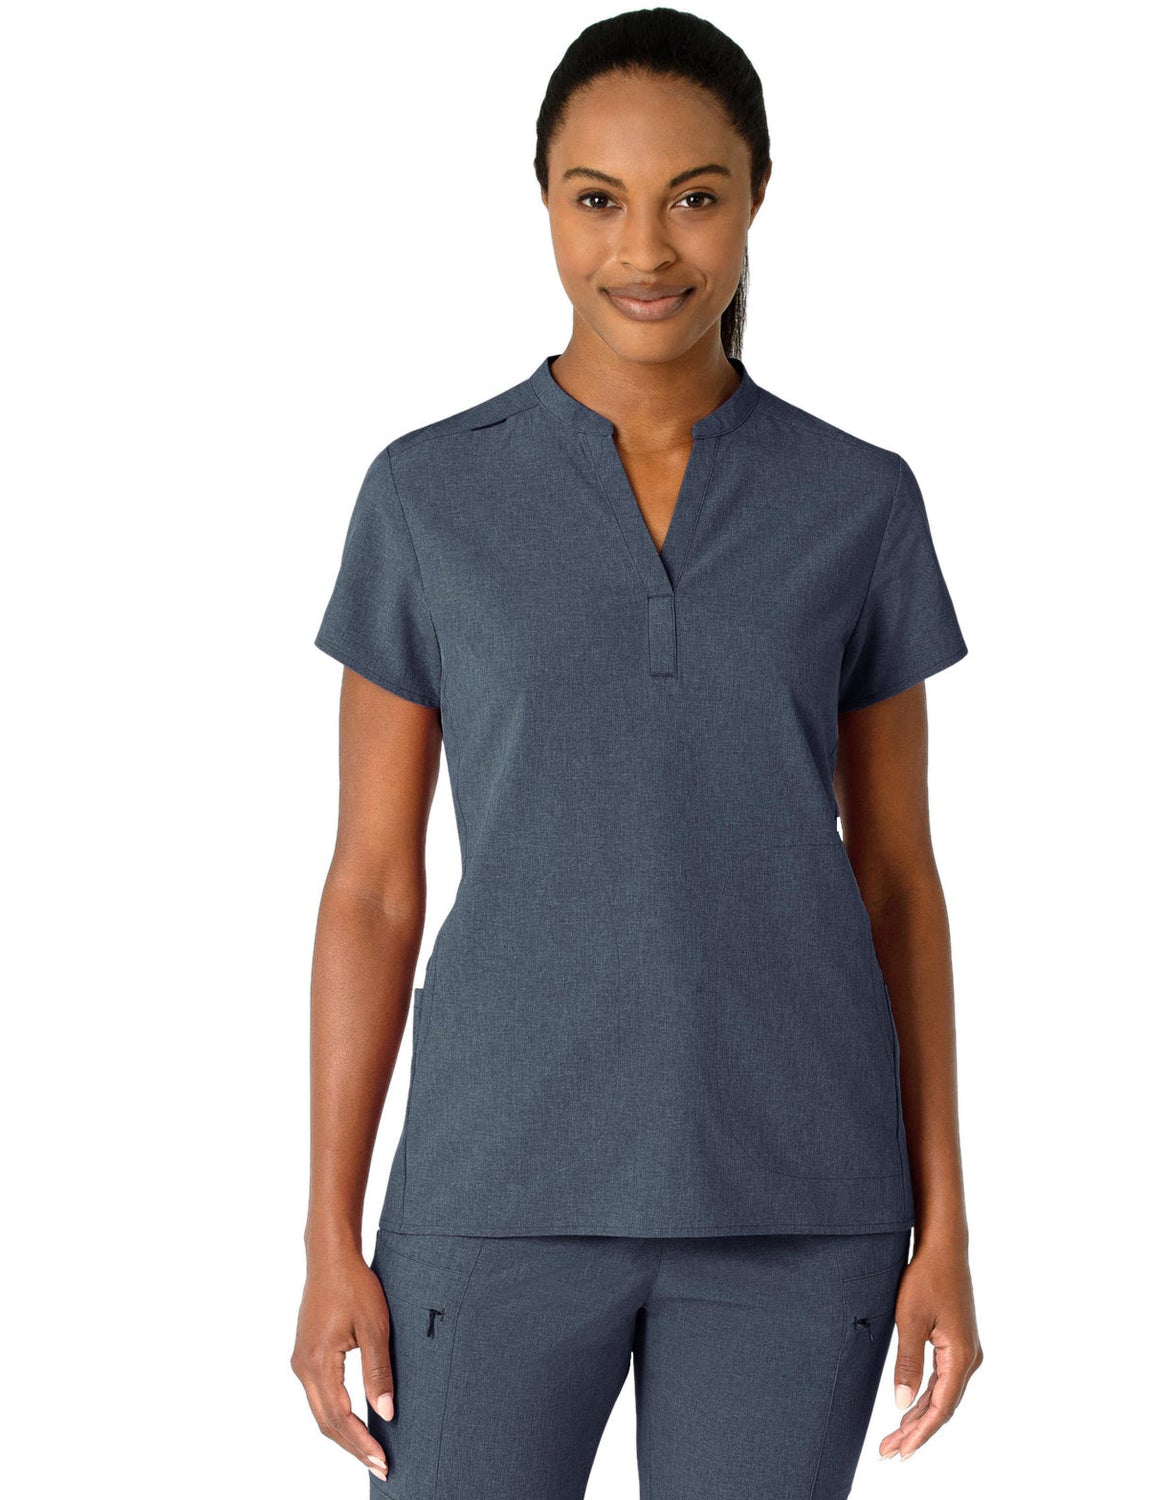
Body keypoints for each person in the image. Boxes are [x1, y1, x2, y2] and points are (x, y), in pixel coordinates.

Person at [292, 9, 984, 1496]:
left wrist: (948, 1226)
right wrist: (327, 1238)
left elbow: (900, 886)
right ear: (544, 199)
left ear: (757, 195)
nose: (646, 249)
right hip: (489, 1190)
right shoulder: (427, 496)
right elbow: (371, 890)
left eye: (695, 196)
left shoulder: (857, 502)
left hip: (803, 1200)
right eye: (597, 197)